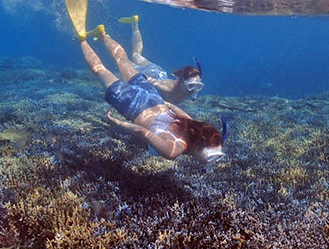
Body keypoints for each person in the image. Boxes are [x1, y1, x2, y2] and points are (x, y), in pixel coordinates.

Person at [78, 24, 225, 163]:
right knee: (100, 70)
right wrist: (119, 123)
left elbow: (178, 111)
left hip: (153, 96)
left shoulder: (191, 125)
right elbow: (142, 132)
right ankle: (82, 39)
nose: (214, 161)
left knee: (122, 59)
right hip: (132, 105)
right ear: (199, 147)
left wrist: (165, 103)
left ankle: (103, 34)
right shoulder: (173, 151)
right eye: (213, 157)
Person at [118, 15, 204, 104]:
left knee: (136, 55)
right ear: (182, 81)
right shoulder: (166, 88)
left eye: (198, 86)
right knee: (123, 61)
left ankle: (134, 23)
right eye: (191, 86)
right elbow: (145, 77)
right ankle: (105, 37)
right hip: (150, 73)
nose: (194, 90)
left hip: (157, 71)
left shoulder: (186, 89)